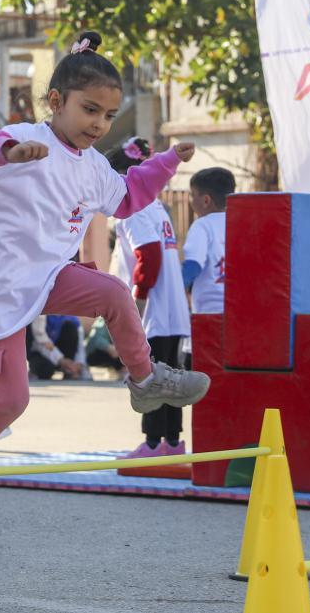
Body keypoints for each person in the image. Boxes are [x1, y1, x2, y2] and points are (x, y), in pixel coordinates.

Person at [0, 31, 210, 529]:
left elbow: (128, 196)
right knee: (10, 400)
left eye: (108, 116)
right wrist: (5, 150)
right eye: (89, 110)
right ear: (56, 101)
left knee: (115, 293)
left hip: (48, 276)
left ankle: (145, 380)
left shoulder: (94, 165)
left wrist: (164, 162)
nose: (99, 124)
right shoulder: (29, 139)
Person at [108, 137, 192, 459]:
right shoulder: (156, 205)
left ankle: (154, 443)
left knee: (151, 378)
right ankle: (173, 441)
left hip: (152, 310)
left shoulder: (133, 207)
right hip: (171, 309)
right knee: (171, 378)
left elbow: (149, 256)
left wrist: (137, 303)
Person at [182, 167, 234, 357]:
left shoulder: (202, 225)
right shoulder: (240, 221)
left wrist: (174, 290)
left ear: (205, 200)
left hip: (208, 314)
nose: (190, 200)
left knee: (199, 375)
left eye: (192, 195)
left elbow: (193, 265)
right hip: (237, 314)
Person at [27, 315, 87, 380]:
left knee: (70, 327)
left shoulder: (71, 315)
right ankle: (34, 371)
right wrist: (60, 359)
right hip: (38, 351)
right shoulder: (40, 313)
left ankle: (70, 368)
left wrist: (79, 363)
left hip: (60, 353)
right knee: (46, 370)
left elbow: (80, 344)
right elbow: (40, 341)